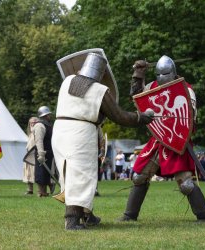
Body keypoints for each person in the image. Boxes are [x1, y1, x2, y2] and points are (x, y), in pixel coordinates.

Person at [52, 52, 154, 230]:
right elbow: (120, 116)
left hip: (60, 131)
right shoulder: (98, 90)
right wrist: (141, 118)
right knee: (80, 177)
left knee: (73, 175)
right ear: (101, 74)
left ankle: (87, 214)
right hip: (80, 135)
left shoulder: (67, 81)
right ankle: (72, 220)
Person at [118, 55, 205, 223]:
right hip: (158, 138)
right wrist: (138, 75)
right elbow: (136, 97)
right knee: (139, 176)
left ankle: (204, 216)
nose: (161, 78)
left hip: (177, 140)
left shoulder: (185, 89)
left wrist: (180, 136)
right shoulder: (152, 86)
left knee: (185, 184)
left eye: (165, 74)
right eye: (158, 74)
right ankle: (129, 215)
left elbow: (190, 120)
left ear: (173, 72)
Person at [34, 106, 55, 197]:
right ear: (45, 115)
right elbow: (39, 140)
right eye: (48, 114)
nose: (49, 116)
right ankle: (41, 192)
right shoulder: (39, 125)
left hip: (49, 152)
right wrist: (41, 154)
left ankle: (44, 191)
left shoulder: (48, 125)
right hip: (42, 152)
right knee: (41, 173)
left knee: (47, 173)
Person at [23, 116, 38, 195]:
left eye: (34, 122)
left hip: (35, 154)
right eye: (31, 122)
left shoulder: (38, 131)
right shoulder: (30, 133)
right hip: (29, 154)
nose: (32, 124)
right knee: (28, 172)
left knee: (37, 172)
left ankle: (42, 190)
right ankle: (30, 190)